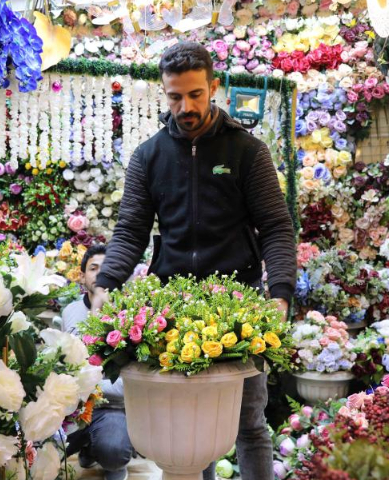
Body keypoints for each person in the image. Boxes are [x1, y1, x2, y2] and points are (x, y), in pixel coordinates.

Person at [90, 42, 296, 480]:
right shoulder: (148, 156)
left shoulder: (247, 151)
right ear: (164, 93)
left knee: (249, 422)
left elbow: (277, 226)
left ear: (213, 87)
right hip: (174, 307)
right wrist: (105, 283)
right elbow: (130, 230)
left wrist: (279, 294)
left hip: (239, 307)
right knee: (189, 425)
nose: (186, 107)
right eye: (175, 97)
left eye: (195, 94)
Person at [62, 244, 133, 480]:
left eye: (107, 268)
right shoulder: (70, 311)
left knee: (114, 449)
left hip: (111, 409)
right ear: (82, 277)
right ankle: (88, 448)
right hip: (73, 409)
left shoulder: (129, 317)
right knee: (44, 444)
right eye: (93, 268)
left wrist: (84, 386)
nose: (100, 274)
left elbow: (129, 385)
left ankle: (112, 460)